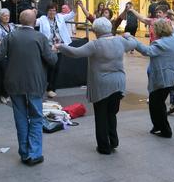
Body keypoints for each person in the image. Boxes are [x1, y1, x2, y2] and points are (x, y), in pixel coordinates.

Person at [57, 17, 137, 154]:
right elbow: (133, 43)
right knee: (112, 114)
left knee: (101, 116)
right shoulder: (120, 41)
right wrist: (128, 35)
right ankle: (113, 141)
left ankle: (104, 147)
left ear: (96, 31)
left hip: (102, 85)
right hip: (118, 83)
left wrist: (60, 46)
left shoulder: (95, 45)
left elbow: (75, 53)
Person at [0, 9, 57, 166]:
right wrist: (53, 51)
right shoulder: (40, 37)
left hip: (14, 83)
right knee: (36, 117)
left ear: (20, 21)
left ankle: (25, 152)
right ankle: (34, 153)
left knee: (20, 117)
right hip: (35, 83)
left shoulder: (10, 36)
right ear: (34, 22)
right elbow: (53, 60)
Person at [128, 19, 174, 138]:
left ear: (159, 30)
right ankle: (157, 126)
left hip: (162, 79)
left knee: (158, 105)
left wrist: (133, 39)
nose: (152, 30)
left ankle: (166, 131)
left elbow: (147, 51)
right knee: (154, 103)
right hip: (171, 77)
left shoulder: (160, 44)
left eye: (153, 29)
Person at [36, 3, 76, 98]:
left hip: (59, 47)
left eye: (54, 10)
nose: (52, 12)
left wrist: (76, 5)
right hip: (48, 47)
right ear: (47, 11)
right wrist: (33, 12)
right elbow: (34, 22)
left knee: (56, 68)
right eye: (50, 10)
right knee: (50, 67)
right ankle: (47, 87)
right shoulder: (43, 19)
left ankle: (52, 88)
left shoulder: (60, 17)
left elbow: (72, 14)